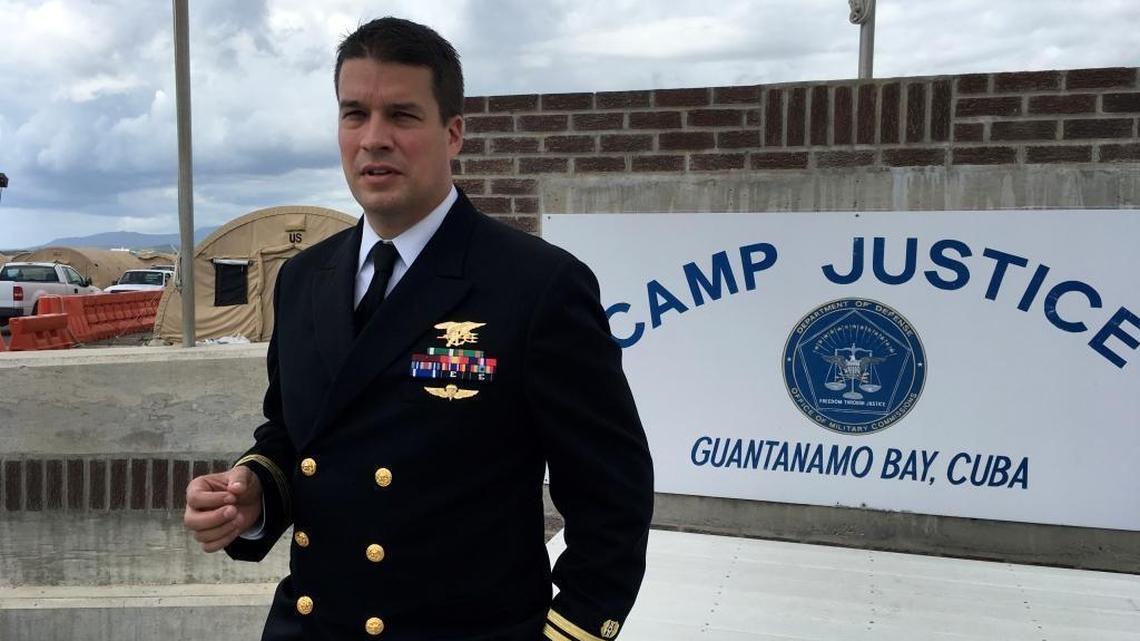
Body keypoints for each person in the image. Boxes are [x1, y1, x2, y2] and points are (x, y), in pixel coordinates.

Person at [182, 16, 654, 641]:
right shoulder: (302, 279)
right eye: (354, 114)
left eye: (401, 115)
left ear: (453, 133)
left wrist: (572, 630)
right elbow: (294, 434)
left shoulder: (536, 286)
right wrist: (255, 492)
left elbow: (612, 494)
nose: (373, 139)